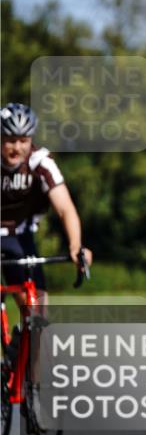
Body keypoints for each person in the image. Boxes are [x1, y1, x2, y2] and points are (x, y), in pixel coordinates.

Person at [1, 102, 92, 315]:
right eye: (10, 140)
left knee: (37, 309)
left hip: (19, 235)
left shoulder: (40, 163)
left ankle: (27, 343)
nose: (17, 147)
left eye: (23, 140)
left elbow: (65, 208)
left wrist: (75, 246)